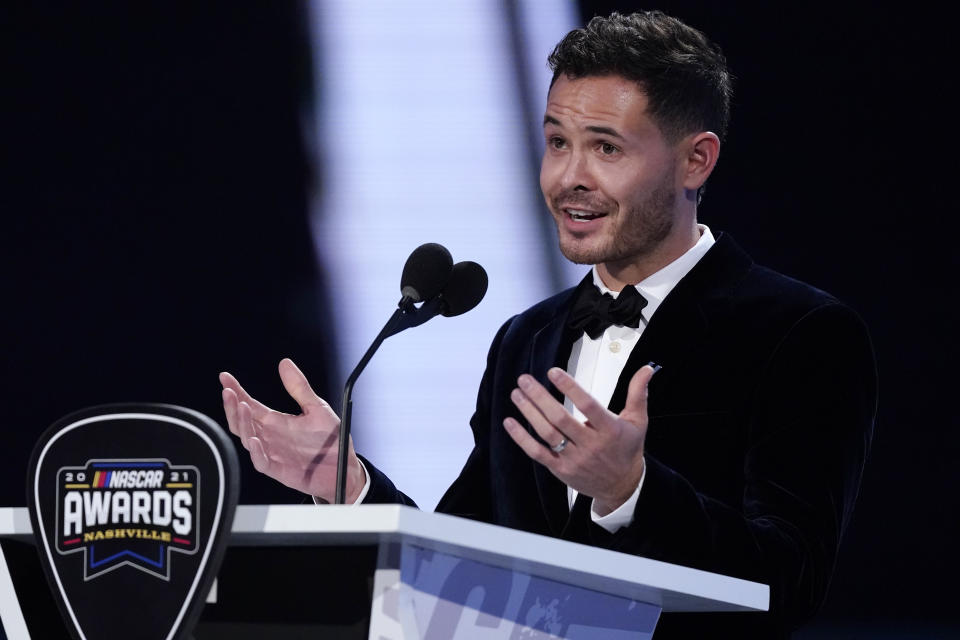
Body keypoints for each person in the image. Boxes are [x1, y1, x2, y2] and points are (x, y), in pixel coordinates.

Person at [219, 11, 876, 638]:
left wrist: (632, 493)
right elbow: (461, 569)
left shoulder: (802, 333)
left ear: (695, 161)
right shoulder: (523, 342)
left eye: (605, 149)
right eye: (557, 141)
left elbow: (790, 583)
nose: (568, 178)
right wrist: (348, 481)